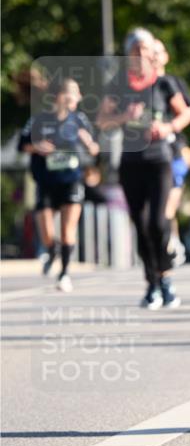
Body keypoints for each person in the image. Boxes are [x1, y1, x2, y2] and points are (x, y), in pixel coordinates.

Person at [96, 28, 190, 309]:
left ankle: (166, 279)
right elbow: (102, 120)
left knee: (158, 222)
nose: (140, 56)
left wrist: (168, 127)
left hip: (159, 159)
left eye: (144, 51)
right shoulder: (118, 84)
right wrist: (123, 116)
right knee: (140, 223)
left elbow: (187, 112)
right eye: (135, 51)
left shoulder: (163, 84)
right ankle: (151, 283)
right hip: (130, 162)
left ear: (152, 55)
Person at [19, 77, 99, 292]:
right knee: (46, 231)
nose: (77, 99)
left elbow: (93, 146)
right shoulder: (38, 120)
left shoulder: (79, 119)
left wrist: (90, 145)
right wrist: (37, 146)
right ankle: (50, 250)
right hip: (45, 181)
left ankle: (64, 273)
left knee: (67, 230)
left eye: (78, 95)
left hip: (70, 180)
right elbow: (22, 144)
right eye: (73, 94)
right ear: (59, 97)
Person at [153, 38, 190, 267]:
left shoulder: (172, 83)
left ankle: (170, 242)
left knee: (168, 201)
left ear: (165, 57)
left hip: (173, 150)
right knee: (157, 204)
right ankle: (169, 240)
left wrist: (176, 135)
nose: (153, 55)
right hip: (146, 154)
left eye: (158, 51)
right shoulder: (135, 87)